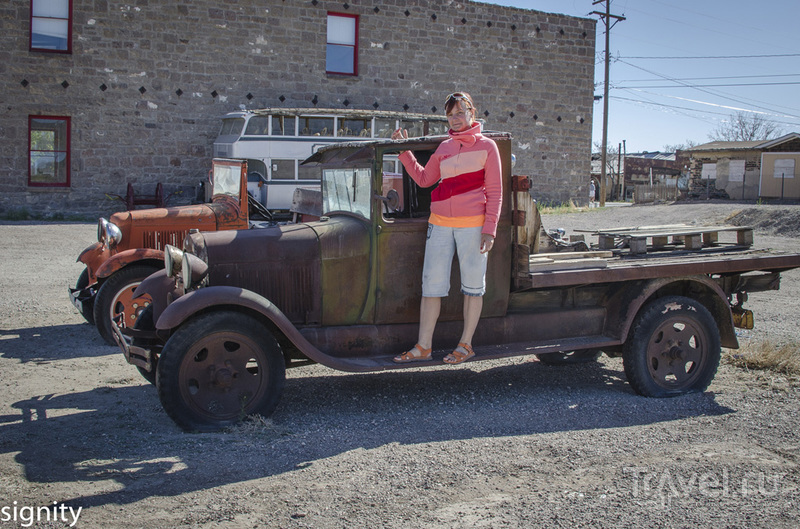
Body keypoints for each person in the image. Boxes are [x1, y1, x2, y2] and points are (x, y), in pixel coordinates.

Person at [391, 92, 502, 365]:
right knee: (431, 286)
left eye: (460, 113)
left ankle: (465, 345)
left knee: (473, 287)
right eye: (450, 115)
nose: (455, 119)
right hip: (439, 224)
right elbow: (425, 179)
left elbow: (496, 192)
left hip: (474, 225)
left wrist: (490, 229)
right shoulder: (444, 147)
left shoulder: (488, 147)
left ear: (472, 114)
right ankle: (423, 346)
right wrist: (405, 152)